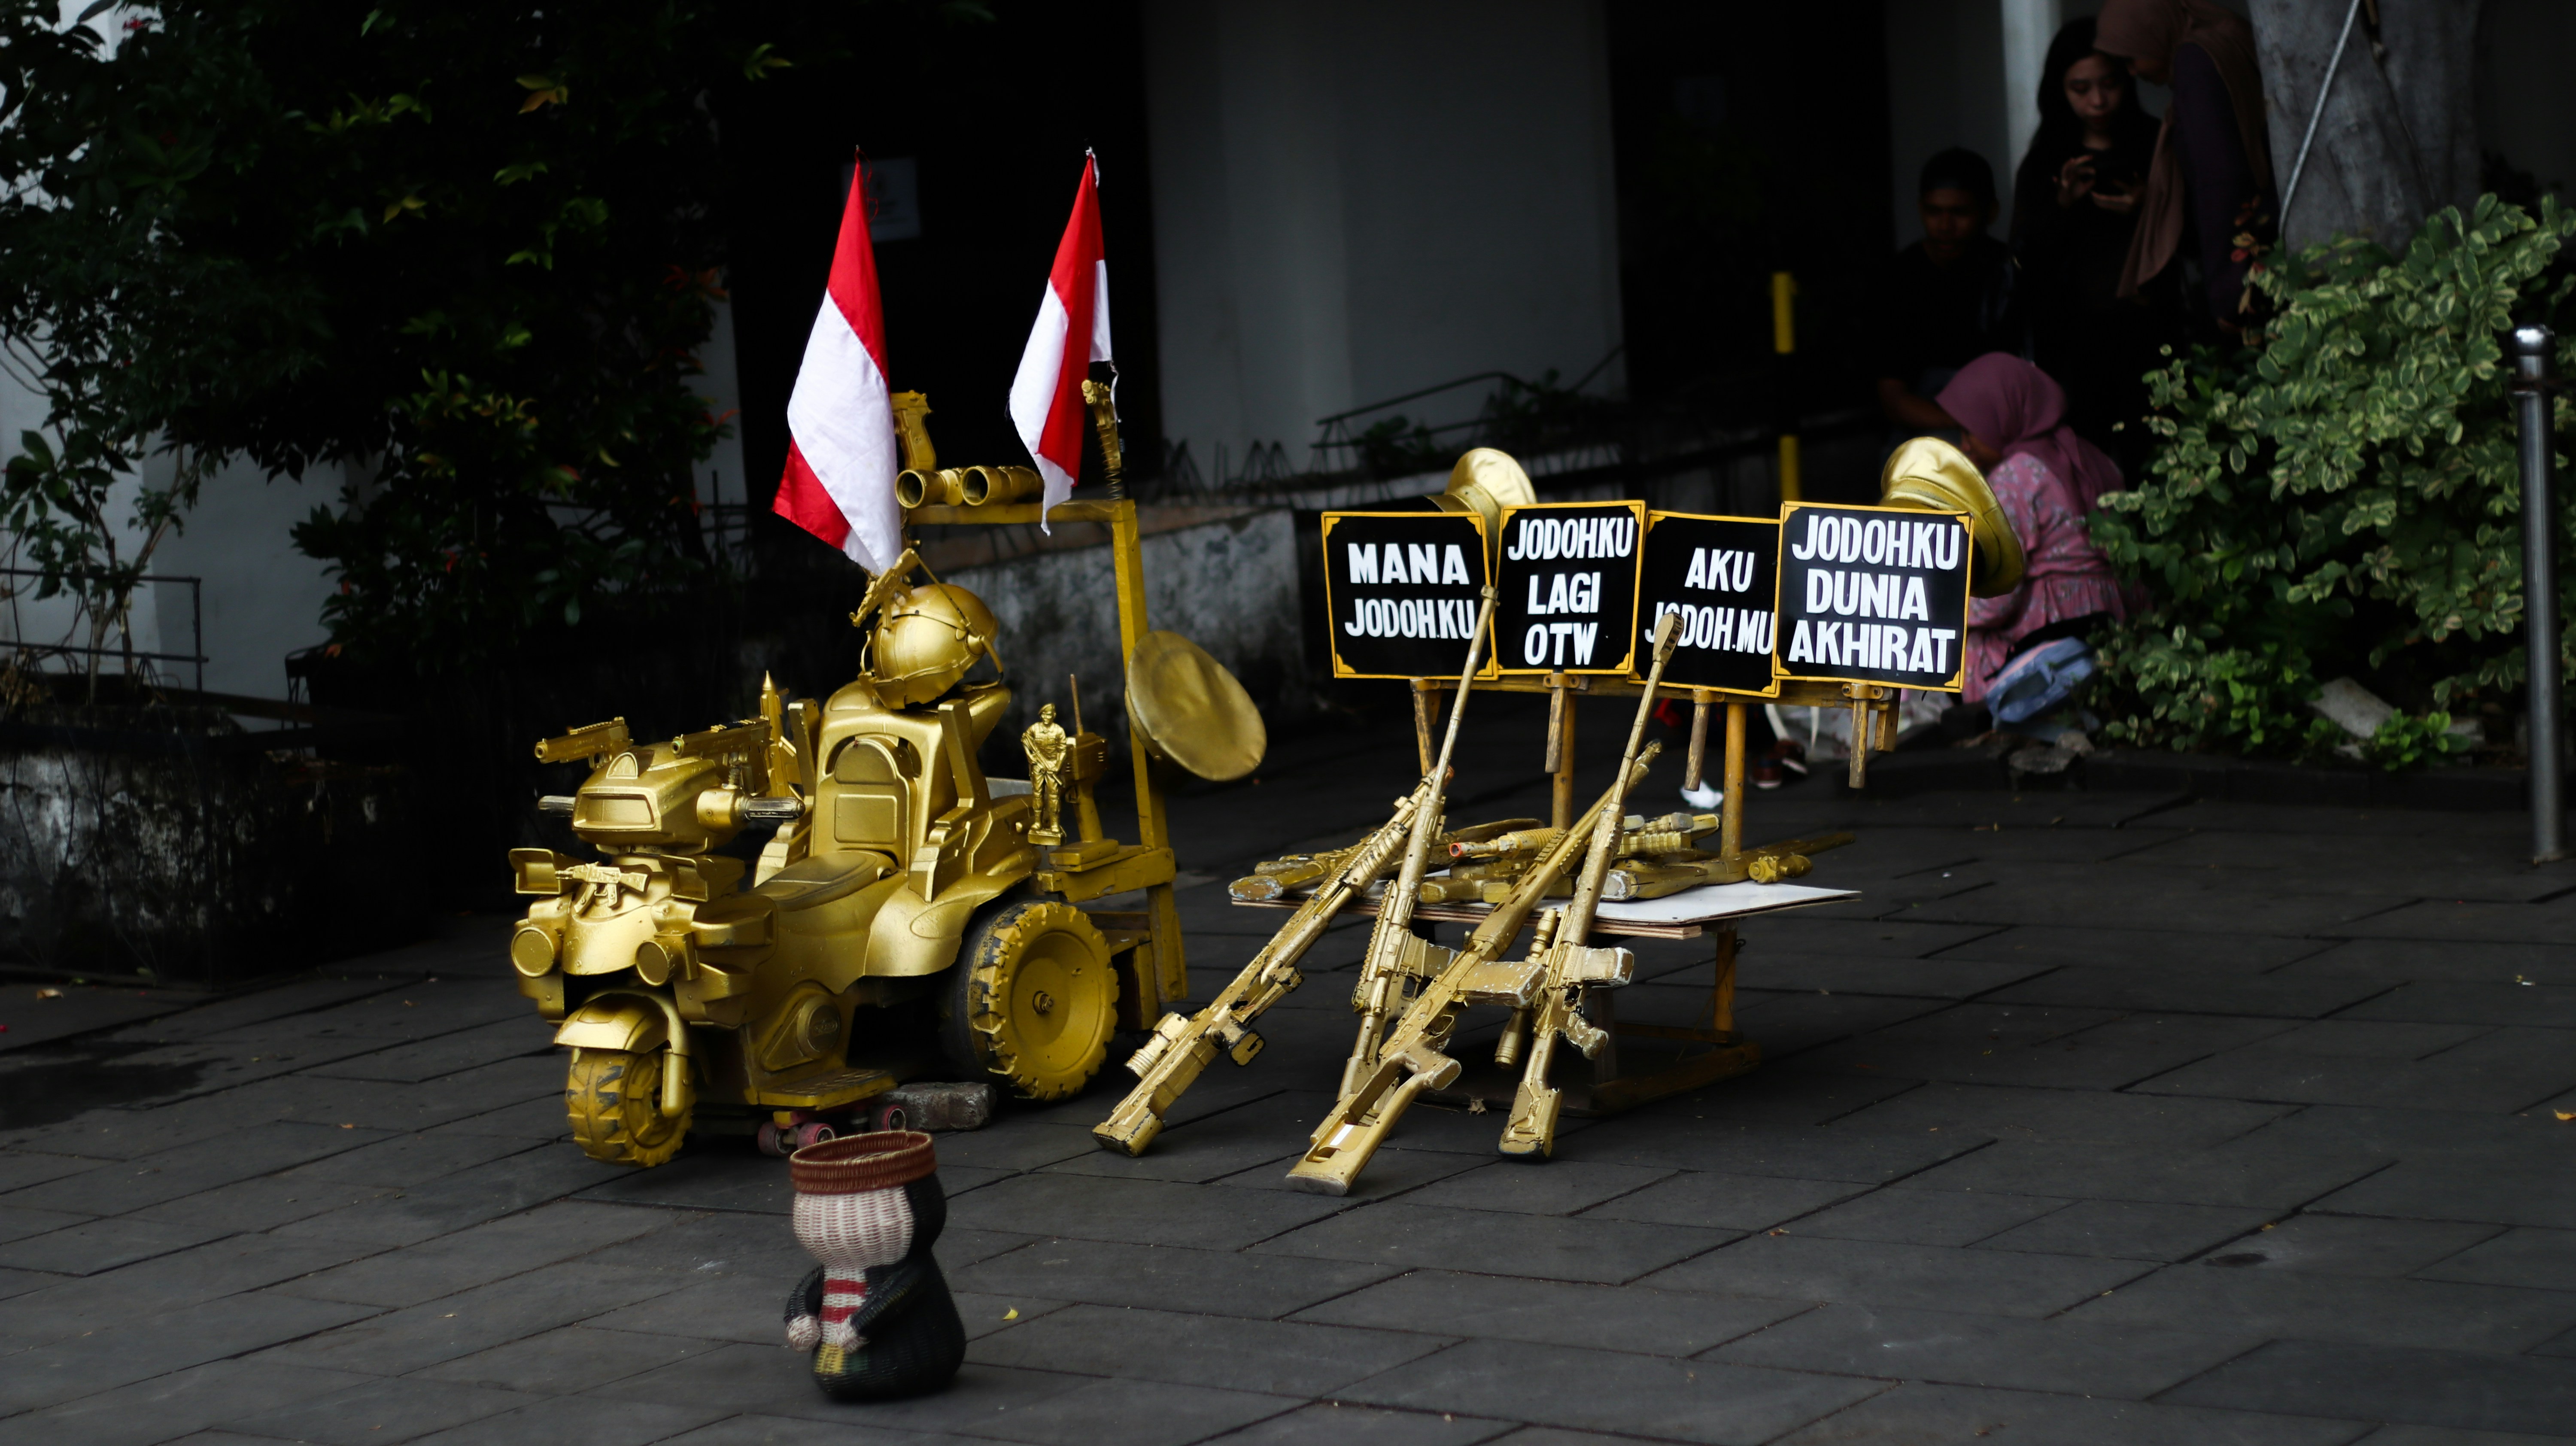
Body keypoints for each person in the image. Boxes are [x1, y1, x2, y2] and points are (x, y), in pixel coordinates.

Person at [1934, 353, 2132, 706]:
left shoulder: (2015, 477)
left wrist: (1933, 611)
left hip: (2048, 635)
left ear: (2003, 416)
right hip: (2108, 621)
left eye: (1970, 431)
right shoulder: (2087, 456)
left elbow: (1995, 600)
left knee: (1934, 653)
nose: (1964, 446)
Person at [2011, 17, 2163, 454]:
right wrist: (2061, 205)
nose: (2098, 101)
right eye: (2081, 89)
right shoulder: (2046, 162)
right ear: (2060, 89)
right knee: (2085, 460)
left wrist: (2151, 206)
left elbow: (2196, 238)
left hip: (2152, 331)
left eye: (2110, 84)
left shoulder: (2156, 143)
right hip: (2075, 344)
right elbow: (2025, 258)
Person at [2093, 0, 2275, 334]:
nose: (2133, 72)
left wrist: (2229, 295)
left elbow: (2221, 184)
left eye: (2130, 59)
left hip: (2253, 270)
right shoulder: (2223, 36)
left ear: (2154, 33)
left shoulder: (2195, 61)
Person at [1868, 148, 2023, 437]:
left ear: (1990, 212)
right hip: (1932, 428)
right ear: (1920, 209)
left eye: (1960, 213)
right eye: (1934, 211)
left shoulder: (2011, 272)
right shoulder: (1900, 279)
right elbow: (1893, 398)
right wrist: (1962, 423)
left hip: (2003, 423)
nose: (1945, 227)